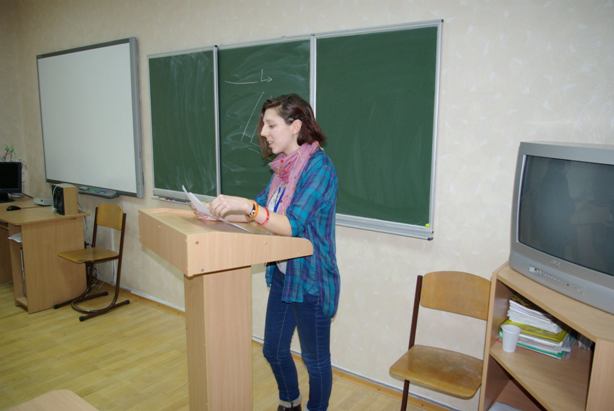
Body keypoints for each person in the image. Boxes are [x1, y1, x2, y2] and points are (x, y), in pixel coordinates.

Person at [197, 94, 340, 411]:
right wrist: (216, 213)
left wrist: (247, 207)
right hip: (284, 276)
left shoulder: (319, 168)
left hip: (311, 280)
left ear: (296, 126)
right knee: (273, 350)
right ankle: (290, 402)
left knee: (315, 360)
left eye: (271, 125)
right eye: (264, 125)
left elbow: (291, 225)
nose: (263, 132)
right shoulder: (283, 171)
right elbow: (260, 212)